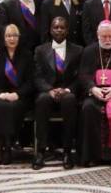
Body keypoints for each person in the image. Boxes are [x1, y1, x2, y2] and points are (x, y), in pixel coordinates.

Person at [78, 19, 111, 166]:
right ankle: (92, 156)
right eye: (104, 37)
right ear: (97, 35)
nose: (107, 40)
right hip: (95, 92)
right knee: (88, 108)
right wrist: (93, 88)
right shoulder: (89, 51)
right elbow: (83, 75)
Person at [33, 15, 81, 169]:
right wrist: (49, 90)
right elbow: (37, 76)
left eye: (62, 27)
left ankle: (67, 151)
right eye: (56, 27)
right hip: (48, 91)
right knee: (42, 100)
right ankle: (41, 151)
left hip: (67, 91)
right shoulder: (40, 50)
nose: (59, 30)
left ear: (67, 30)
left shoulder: (78, 50)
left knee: (70, 100)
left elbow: (80, 77)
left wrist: (67, 90)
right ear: (50, 30)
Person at [0, 23, 35, 164]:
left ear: (19, 38)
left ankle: (7, 146)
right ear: (3, 38)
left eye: (14, 35)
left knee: (11, 107)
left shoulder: (27, 56)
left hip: (19, 97)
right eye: (8, 36)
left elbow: (30, 82)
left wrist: (18, 94)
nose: (12, 39)